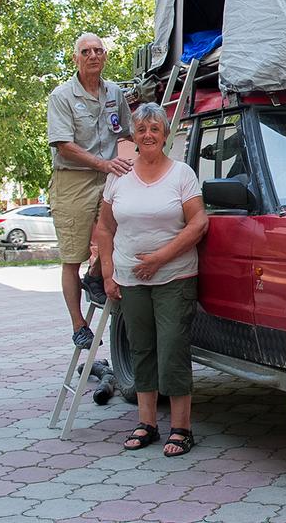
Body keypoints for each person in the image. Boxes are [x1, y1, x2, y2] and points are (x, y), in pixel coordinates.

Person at [95, 103, 208, 457]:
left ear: (165, 135)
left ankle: (181, 429)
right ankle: (146, 424)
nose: (148, 135)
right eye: (142, 129)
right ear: (134, 135)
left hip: (174, 275)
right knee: (141, 348)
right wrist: (108, 273)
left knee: (172, 347)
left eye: (154, 129)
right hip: (130, 278)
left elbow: (198, 223)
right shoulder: (118, 176)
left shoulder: (181, 174)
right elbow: (105, 228)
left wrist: (160, 258)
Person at [46, 33, 133, 350]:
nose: (93, 55)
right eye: (86, 51)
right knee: (73, 254)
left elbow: (128, 131)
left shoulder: (114, 92)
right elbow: (63, 145)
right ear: (76, 58)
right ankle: (78, 325)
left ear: (105, 56)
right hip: (75, 178)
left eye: (98, 50)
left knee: (124, 228)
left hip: (109, 175)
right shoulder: (62, 96)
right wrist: (102, 164)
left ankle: (95, 276)